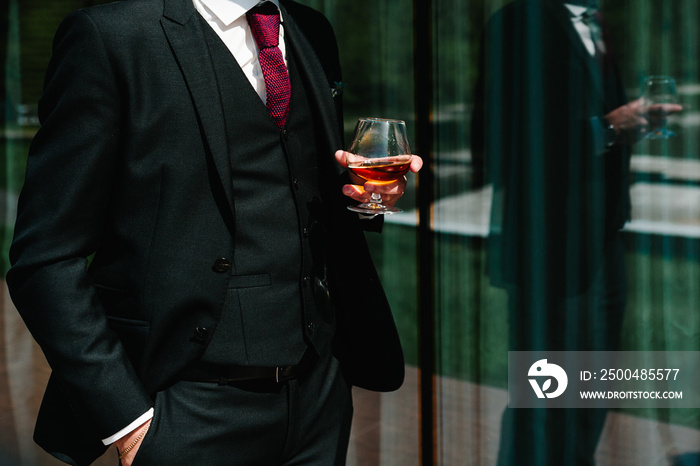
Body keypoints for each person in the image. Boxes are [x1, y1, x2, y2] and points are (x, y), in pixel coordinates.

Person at [6, 0, 422, 464]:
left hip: (318, 400)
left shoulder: (313, 30)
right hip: (188, 411)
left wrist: (367, 201)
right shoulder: (111, 36)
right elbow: (44, 259)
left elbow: (299, 187)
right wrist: (130, 424)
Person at [471, 0, 681, 464]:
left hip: (604, 240)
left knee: (594, 389)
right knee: (546, 398)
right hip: (549, 251)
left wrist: (631, 123)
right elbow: (499, 145)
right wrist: (606, 128)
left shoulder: (594, 23)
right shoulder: (518, 24)